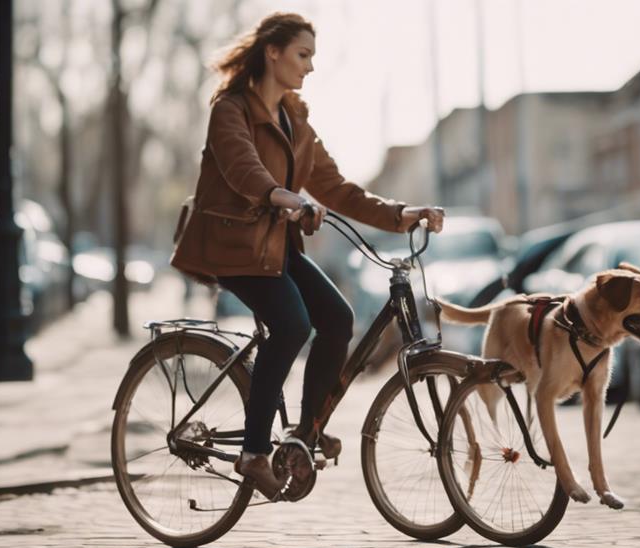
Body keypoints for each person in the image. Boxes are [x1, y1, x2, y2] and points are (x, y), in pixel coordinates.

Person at [170, 12, 445, 501]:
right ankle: (254, 452)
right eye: (303, 55)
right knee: (293, 325)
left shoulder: (295, 121)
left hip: (273, 245)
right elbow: (240, 167)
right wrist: (284, 197)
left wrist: (404, 213)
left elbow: (337, 188)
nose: (310, 67)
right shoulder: (230, 109)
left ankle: (305, 431)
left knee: (337, 318)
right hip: (233, 246)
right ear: (272, 52)